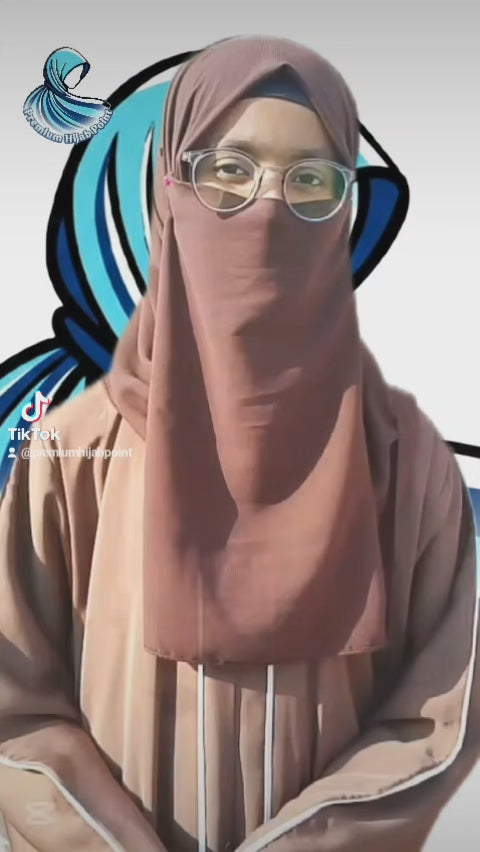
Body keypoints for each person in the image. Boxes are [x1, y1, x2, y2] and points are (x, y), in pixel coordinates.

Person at [0, 33, 478, 852]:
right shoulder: (74, 452)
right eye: (227, 170)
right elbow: (15, 709)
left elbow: (439, 717)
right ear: (166, 192)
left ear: (346, 213)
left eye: (311, 181)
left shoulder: (404, 460)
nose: (267, 210)